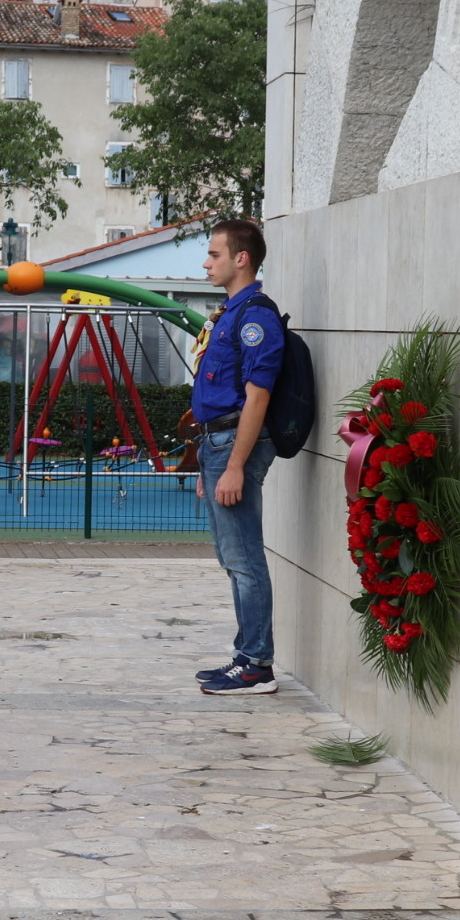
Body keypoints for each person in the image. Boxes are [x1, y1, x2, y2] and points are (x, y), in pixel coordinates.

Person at [189, 218, 283, 696]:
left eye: (214, 254)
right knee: (234, 557)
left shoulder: (255, 316)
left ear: (241, 258)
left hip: (235, 444)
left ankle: (257, 664)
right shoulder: (231, 312)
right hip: (218, 443)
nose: (207, 263)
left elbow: (258, 396)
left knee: (245, 558)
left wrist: (233, 466)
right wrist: (213, 461)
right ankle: (245, 654)